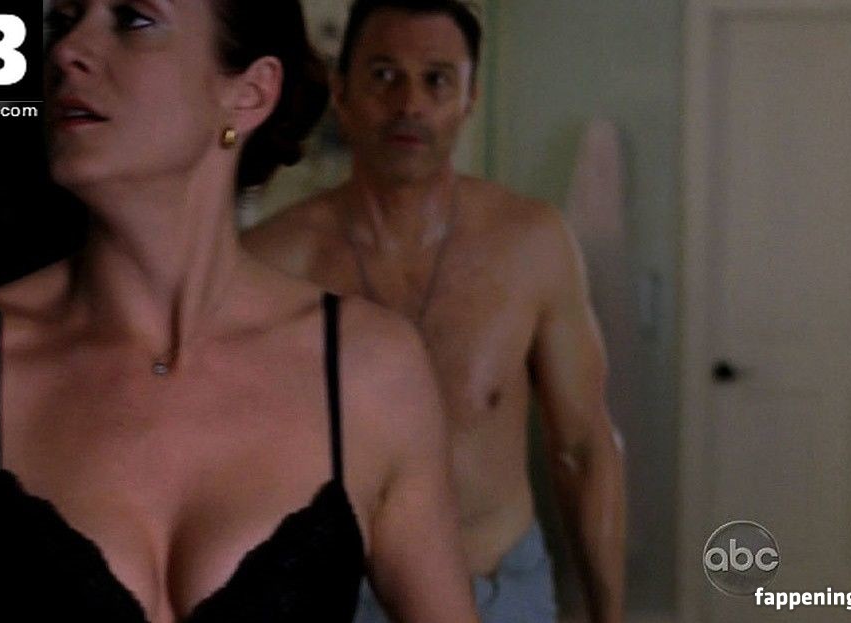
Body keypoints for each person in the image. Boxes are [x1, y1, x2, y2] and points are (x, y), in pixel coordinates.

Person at [0, 0, 478, 621]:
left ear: (250, 92)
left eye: (133, 19)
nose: (67, 50)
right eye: (64, 21)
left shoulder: (367, 369)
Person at [243, 1, 626, 621]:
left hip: (499, 589)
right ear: (342, 92)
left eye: (437, 79)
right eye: (384, 76)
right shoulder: (273, 260)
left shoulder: (531, 243)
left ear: (470, 98)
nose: (410, 104)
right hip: (337, 597)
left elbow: (583, 448)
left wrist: (609, 614)